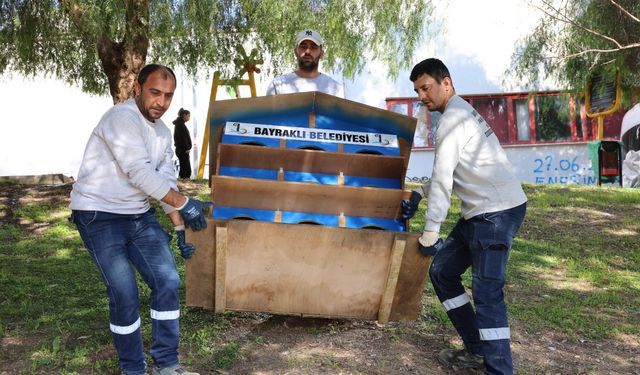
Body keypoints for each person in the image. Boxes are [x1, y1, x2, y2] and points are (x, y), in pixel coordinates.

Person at [69, 64, 210, 375]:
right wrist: (185, 204)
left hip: (137, 215)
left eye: (168, 96)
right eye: (155, 93)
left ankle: (167, 366)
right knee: (124, 293)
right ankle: (133, 369)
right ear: (137, 88)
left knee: (168, 281)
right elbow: (139, 173)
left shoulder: (162, 132)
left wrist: (179, 226)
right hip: (98, 215)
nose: (161, 102)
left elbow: (165, 183)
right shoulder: (121, 118)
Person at [402, 58, 527, 375]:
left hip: (495, 214)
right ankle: (476, 349)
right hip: (481, 211)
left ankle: (499, 370)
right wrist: (420, 191)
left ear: (446, 83)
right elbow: (455, 172)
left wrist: (431, 231)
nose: (421, 96)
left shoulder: (452, 120)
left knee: (487, 294)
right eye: (417, 90)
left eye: (426, 87)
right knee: (443, 271)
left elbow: (445, 179)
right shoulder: (457, 113)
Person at [266, 29, 344, 98]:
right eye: (303, 46)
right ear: (295, 52)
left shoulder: (335, 89)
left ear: (321, 54)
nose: (307, 51)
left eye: (313, 47)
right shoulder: (278, 85)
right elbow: (269, 114)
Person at [173, 108, 193, 179]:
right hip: (182, 149)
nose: (189, 118)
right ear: (184, 115)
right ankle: (184, 180)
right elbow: (181, 139)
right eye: (188, 116)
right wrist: (186, 148)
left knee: (186, 166)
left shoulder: (180, 124)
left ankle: (185, 179)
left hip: (182, 149)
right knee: (185, 167)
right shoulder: (180, 125)